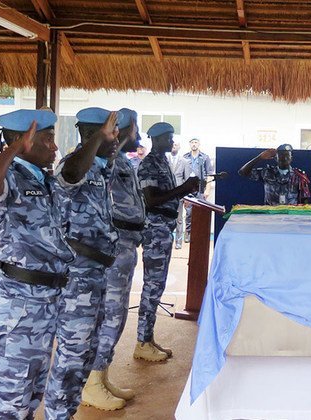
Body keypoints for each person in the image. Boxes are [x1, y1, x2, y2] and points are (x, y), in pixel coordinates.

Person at [0, 109, 74, 418]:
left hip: (47, 302)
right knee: (7, 401)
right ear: (25, 142)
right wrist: (14, 149)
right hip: (19, 305)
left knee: (29, 397)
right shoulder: (9, 176)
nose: (55, 147)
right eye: (47, 139)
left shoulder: (45, 180)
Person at [44, 108, 121, 419]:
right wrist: (97, 140)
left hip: (96, 275)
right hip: (77, 277)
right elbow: (69, 176)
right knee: (71, 357)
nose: (115, 139)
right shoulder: (75, 165)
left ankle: (67, 412)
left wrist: (111, 142)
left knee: (85, 354)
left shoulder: (99, 167)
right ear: (92, 136)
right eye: (110, 134)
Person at [82, 108, 145, 411]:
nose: (137, 136)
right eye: (135, 129)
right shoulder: (102, 162)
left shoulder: (120, 161)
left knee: (114, 316)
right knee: (109, 316)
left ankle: (101, 376)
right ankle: (92, 382)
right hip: (112, 249)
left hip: (124, 247)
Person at [135, 122, 199, 362]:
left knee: (157, 285)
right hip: (155, 230)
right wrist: (182, 188)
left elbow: (166, 195)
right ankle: (142, 341)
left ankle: (148, 338)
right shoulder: (149, 163)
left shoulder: (164, 162)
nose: (171, 142)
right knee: (152, 286)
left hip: (165, 228)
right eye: (167, 138)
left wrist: (185, 189)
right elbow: (151, 200)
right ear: (156, 139)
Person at [238, 143, 310, 205]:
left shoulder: (299, 175)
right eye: (281, 156)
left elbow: (304, 199)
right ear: (276, 158)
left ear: (291, 158)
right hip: (270, 214)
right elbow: (242, 172)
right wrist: (259, 157)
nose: (284, 158)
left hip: (291, 215)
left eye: (287, 156)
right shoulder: (267, 172)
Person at [182, 138, 213, 243]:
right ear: (189, 144)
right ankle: (189, 233)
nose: (194, 144)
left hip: (200, 187)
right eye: (192, 142)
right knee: (189, 212)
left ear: (199, 144)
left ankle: (200, 233)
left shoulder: (204, 157)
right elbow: (182, 175)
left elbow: (209, 174)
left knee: (201, 211)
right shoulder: (185, 157)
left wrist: (208, 189)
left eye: (196, 142)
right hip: (188, 187)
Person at [168, 141, 191, 249]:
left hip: (179, 195)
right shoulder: (164, 160)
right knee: (167, 218)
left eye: (176, 145)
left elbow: (187, 181)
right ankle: (168, 240)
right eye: (172, 144)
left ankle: (178, 242)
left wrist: (187, 197)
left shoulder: (185, 161)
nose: (174, 146)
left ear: (179, 146)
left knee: (179, 219)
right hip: (166, 195)